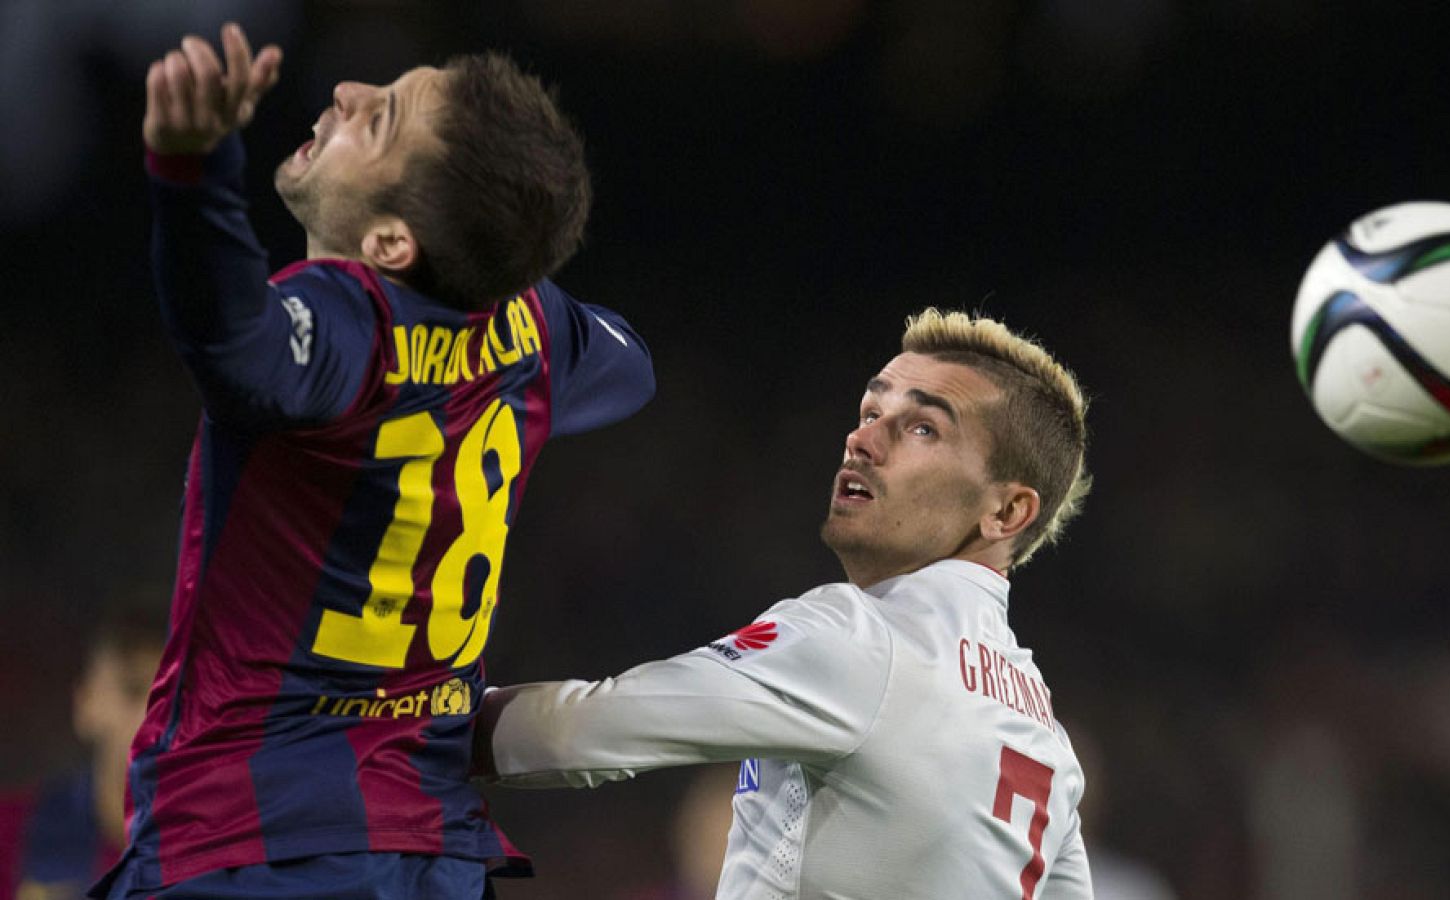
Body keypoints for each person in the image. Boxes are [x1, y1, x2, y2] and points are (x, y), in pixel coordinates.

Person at [98, 23, 655, 899]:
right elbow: (631, 363)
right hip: (434, 855)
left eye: (381, 119)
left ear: (393, 245)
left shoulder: (350, 321)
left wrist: (193, 172)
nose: (350, 93)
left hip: (254, 846)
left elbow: (239, 350)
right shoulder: (536, 331)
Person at [478, 309, 1095, 899]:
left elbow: (571, 734)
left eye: (922, 428)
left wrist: (410, 714)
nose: (862, 439)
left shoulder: (861, 636)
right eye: (872, 410)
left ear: (1008, 512)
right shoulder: (1049, 745)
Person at [12, 608, 164, 900]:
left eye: (180, 696)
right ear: (87, 702)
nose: (156, 719)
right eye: (133, 690)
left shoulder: (243, 858)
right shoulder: (13, 835)